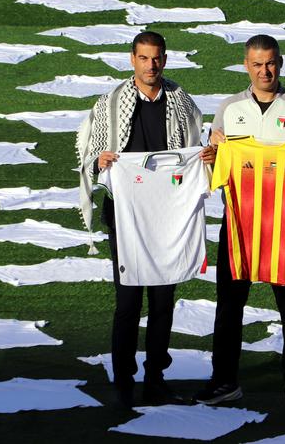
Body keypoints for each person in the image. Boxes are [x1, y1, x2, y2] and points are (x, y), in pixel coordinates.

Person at [76, 31, 215, 407]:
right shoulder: (110, 103)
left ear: (164, 60)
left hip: (167, 214)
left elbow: (192, 148)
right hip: (124, 213)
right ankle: (123, 381)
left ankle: (156, 378)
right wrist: (101, 163)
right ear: (132, 59)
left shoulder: (181, 101)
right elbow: (90, 156)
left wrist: (203, 159)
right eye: (143, 58)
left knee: (163, 300)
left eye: (156, 58)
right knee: (128, 301)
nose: (150, 65)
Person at [195, 34, 285, 409]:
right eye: (257, 64)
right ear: (246, 65)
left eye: (270, 63)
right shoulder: (229, 108)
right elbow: (214, 166)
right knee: (229, 305)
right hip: (239, 221)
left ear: (280, 63)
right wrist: (212, 152)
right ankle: (224, 381)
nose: (264, 71)